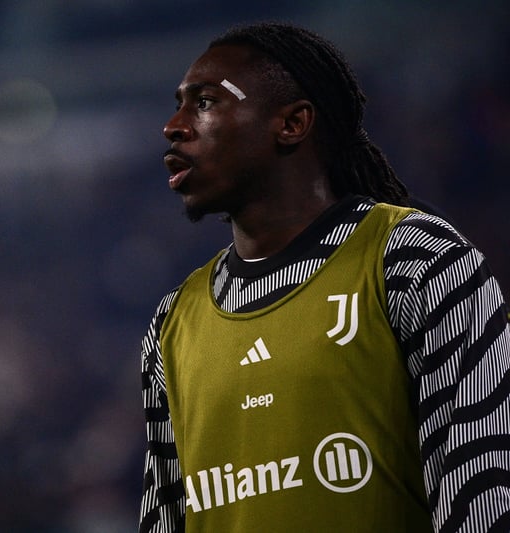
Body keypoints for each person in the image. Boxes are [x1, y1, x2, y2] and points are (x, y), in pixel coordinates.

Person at [138, 21, 510, 532]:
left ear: (292, 124)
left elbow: (484, 488)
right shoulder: (171, 323)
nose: (173, 126)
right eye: (179, 105)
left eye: (204, 102)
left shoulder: (413, 259)